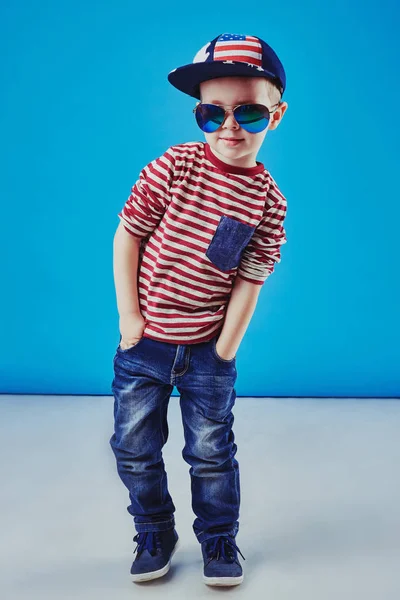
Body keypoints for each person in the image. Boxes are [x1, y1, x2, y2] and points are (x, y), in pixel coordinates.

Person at [110, 32, 289, 587]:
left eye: (250, 113)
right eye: (214, 113)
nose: (231, 127)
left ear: (275, 116)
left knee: (211, 453)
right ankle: (155, 531)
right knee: (134, 446)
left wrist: (226, 346)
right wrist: (130, 320)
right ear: (199, 115)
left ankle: (218, 540)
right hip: (148, 345)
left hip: (208, 350)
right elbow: (128, 236)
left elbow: (251, 278)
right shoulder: (174, 168)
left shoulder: (268, 201)